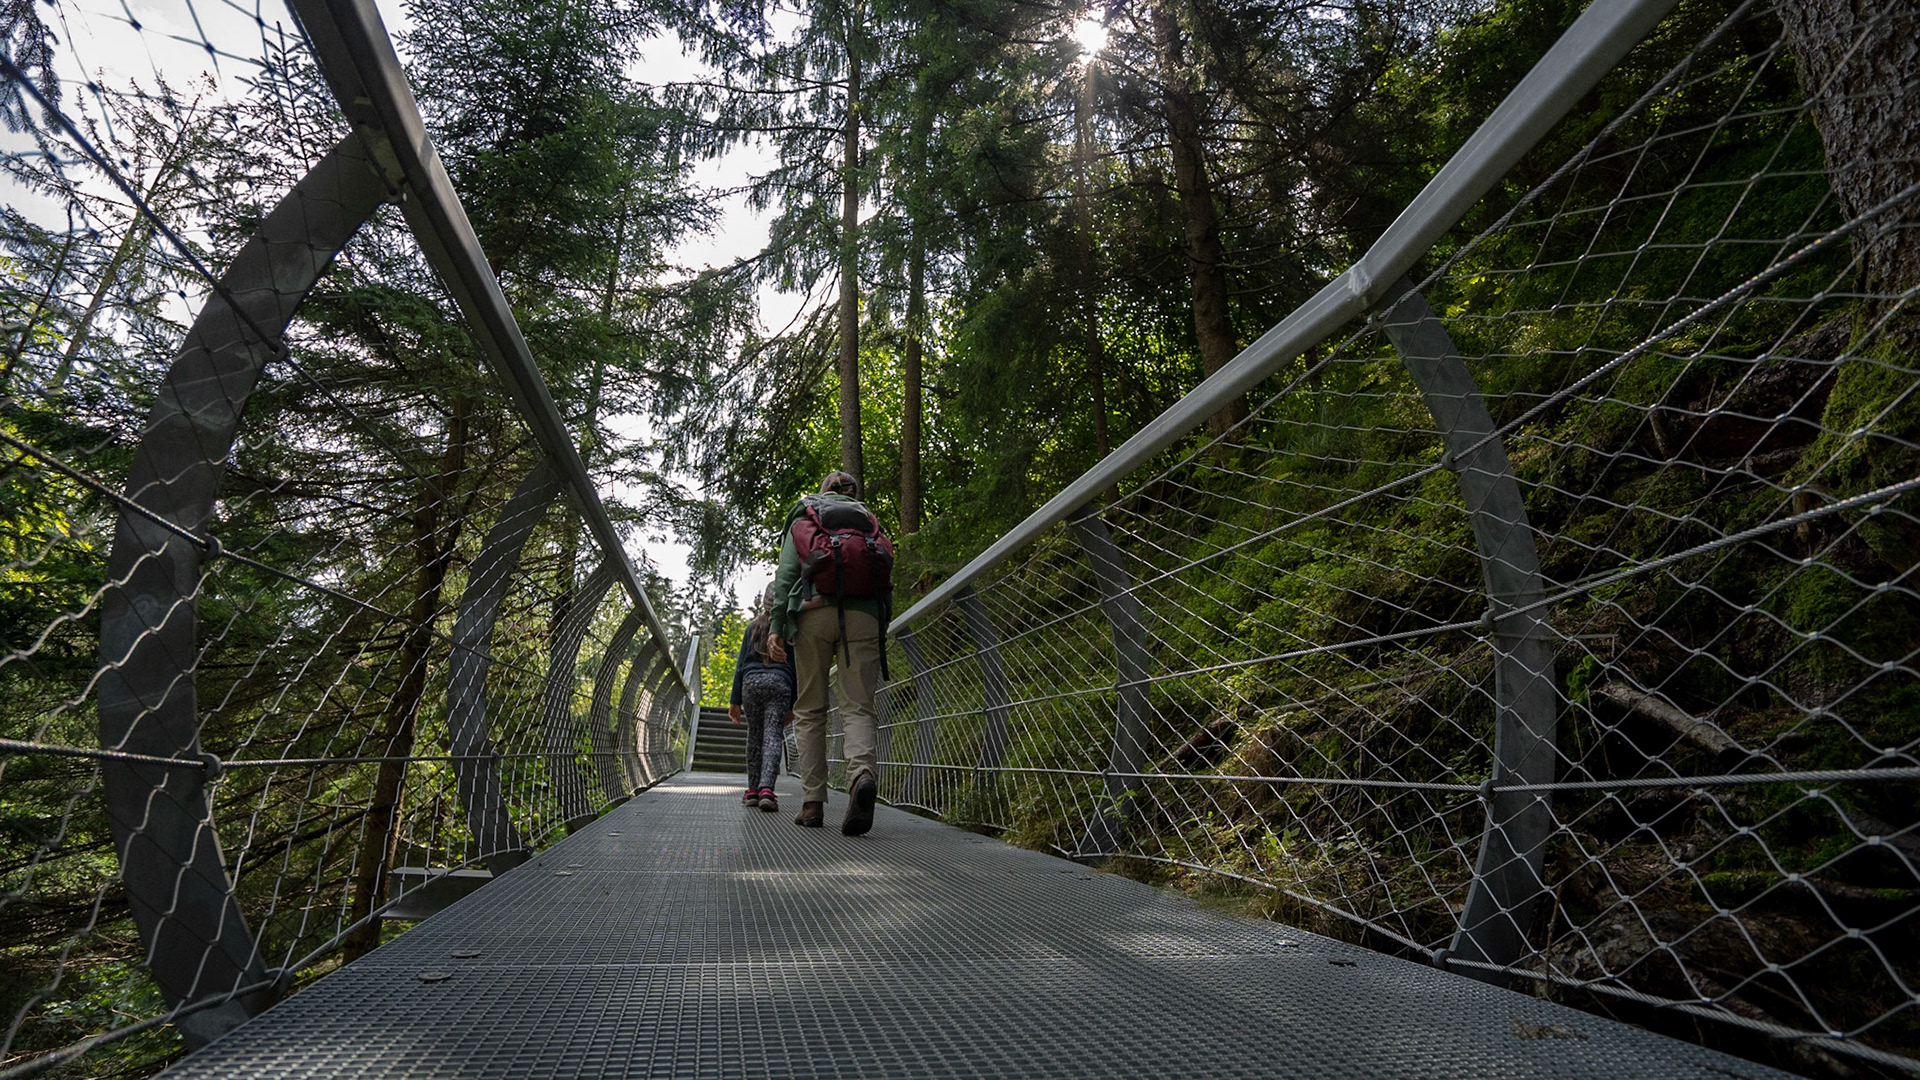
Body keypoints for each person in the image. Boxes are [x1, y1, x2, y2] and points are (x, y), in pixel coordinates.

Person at [765, 470, 893, 835]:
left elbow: (786, 575)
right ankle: (861, 776)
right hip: (864, 616)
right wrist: (879, 624)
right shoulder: (868, 522)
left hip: (813, 614)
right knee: (858, 707)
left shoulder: (805, 517)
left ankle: (812, 803)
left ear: (823, 493)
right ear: (853, 493)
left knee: (810, 709)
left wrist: (776, 626)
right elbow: (884, 578)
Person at [728, 584, 795, 812]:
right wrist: (794, 704)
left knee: (754, 735)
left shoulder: (752, 628)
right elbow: (795, 668)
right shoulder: (789, 630)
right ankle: (767, 789)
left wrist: (735, 701)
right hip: (779, 683)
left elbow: (740, 666)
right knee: (773, 736)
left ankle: (752, 791)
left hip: (751, 684)